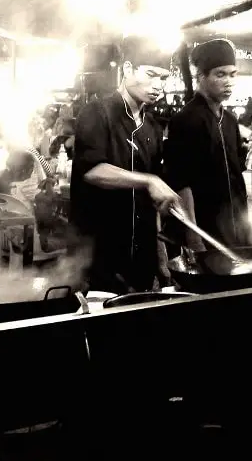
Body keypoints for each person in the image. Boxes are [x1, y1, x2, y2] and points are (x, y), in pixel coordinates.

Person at [71, 37, 183, 293]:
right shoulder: (96, 113)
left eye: (163, 79)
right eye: (152, 75)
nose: (158, 86)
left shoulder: (153, 128)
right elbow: (92, 170)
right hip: (97, 255)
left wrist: (161, 256)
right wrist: (149, 180)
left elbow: (153, 202)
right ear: (128, 68)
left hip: (141, 257)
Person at [165, 39, 249, 247]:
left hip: (234, 229)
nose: (228, 81)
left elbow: (237, 177)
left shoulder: (229, 120)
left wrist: (247, 228)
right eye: (220, 74)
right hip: (205, 229)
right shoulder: (186, 119)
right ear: (201, 77)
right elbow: (181, 183)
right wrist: (193, 235)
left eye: (232, 74)